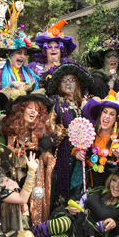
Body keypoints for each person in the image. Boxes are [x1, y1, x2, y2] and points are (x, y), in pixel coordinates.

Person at [31, 164, 119, 237]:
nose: (116, 185)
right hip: (72, 218)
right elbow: (75, 198)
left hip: (81, 234)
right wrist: (72, 205)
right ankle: (27, 233)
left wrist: (115, 225)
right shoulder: (100, 191)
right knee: (63, 224)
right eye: (114, 180)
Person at [41, 61, 94, 201]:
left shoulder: (80, 103)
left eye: (72, 80)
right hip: (62, 153)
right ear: (59, 84)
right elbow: (48, 128)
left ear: (77, 83)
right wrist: (67, 131)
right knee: (63, 190)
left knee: (79, 188)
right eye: (64, 80)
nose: (68, 83)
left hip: (80, 153)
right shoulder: (55, 101)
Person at [2, 93, 56, 226]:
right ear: (21, 110)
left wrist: (45, 150)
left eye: (37, 109)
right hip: (12, 181)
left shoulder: (42, 134)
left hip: (33, 183)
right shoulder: (8, 132)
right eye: (30, 107)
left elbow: (48, 165)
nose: (33, 111)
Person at [81, 91, 119, 189]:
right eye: (105, 112)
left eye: (112, 114)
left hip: (112, 188)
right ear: (100, 114)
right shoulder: (90, 132)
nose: (107, 116)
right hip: (90, 184)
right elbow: (79, 148)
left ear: (116, 119)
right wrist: (77, 153)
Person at [0, 2, 40, 92]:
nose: (22, 56)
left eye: (25, 54)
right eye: (19, 53)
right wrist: (10, 86)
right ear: (9, 54)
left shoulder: (32, 73)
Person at [83, 32, 119, 99]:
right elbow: (99, 96)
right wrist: (112, 78)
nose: (113, 59)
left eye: (116, 56)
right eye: (109, 57)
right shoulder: (97, 76)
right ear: (103, 59)